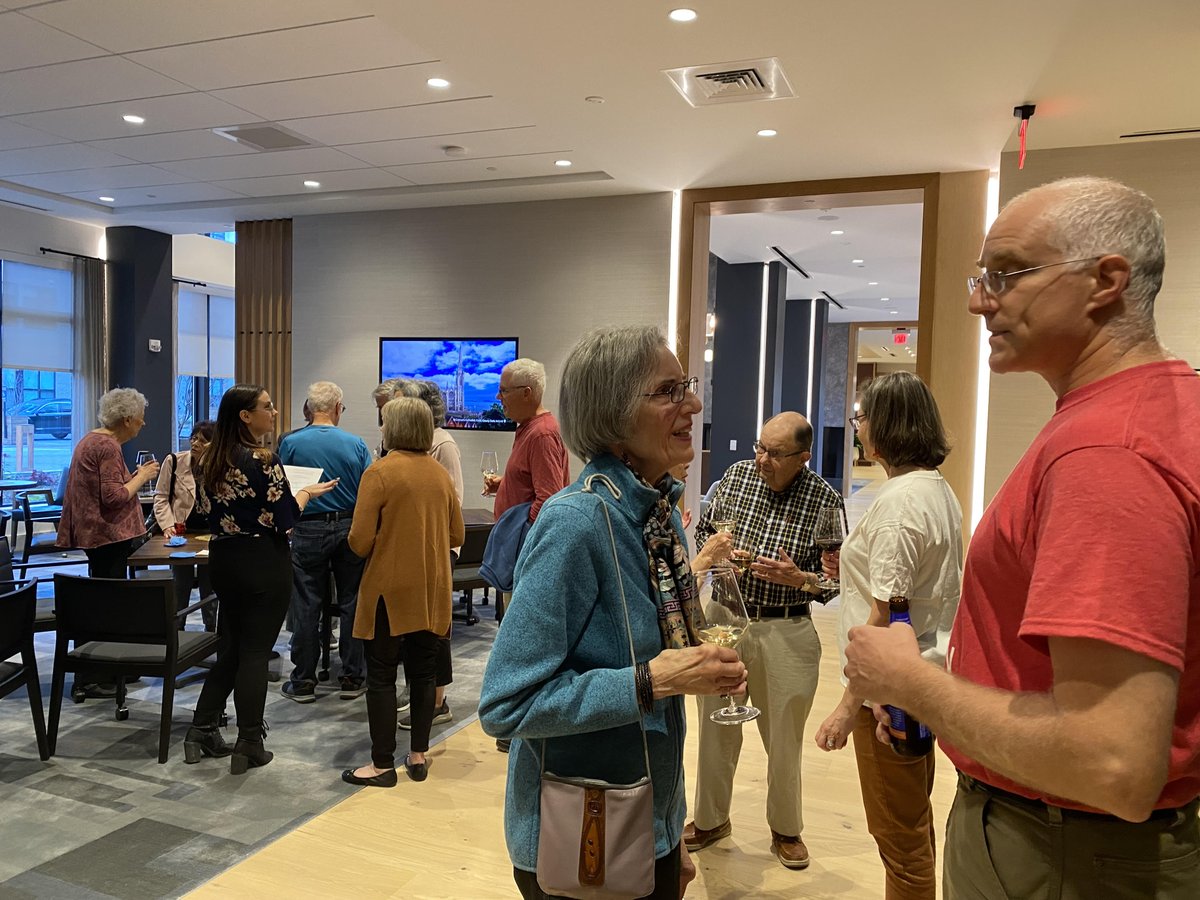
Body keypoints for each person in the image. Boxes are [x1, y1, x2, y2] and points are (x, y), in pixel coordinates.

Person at [844, 176, 1200, 899]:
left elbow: (1109, 761)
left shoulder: (1106, 452)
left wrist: (912, 683)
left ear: (1106, 281)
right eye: (982, 277)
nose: (980, 301)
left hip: (1063, 849)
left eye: (1007, 274)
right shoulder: (1160, 407)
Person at [479, 324, 747, 900]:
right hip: (580, 835)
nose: (693, 405)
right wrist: (651, 680)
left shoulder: (659, 516)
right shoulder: (575, 524)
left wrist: (669, 832)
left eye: (686, 386)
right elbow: (506, 704)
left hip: (647, 822)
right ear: (614, 413)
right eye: (669, 391)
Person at [813, 372, 962, 900]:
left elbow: (888, 611)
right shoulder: (932, 488)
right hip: (917, 679)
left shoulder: (900, 505)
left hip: (887, 694)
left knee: (900, 841)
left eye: (862, 418)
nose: (857, 428)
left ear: (887, 426)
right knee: (911, 822)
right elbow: (907, 589)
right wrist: (850, 570)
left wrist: (845, 706)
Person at [684, 411, 843, 870]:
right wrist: (720, 552)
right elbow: (706, 531)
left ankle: (786, 830)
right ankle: (711, 820)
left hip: (786, 628)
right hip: (724, 620)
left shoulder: (824, 500)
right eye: (759, 447)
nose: (761, 459)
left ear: (803, 457)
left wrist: (800, 578)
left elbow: (835, 582)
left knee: (784, 738)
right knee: (715, 727)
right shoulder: (736, 476)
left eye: (774, 453)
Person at [183, 384, 336, 773]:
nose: (274, 412)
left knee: (233, 647)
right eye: (267, 406)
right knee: (254, 652)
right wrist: (306, 495)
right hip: (263, 561)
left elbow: (203, 513)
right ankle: (249, 741)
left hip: (223, 559)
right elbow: (285, 519)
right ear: (245, 416)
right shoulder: (264, 459)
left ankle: (200, 728)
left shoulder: (207, 459)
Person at [341, 397, 464, 787]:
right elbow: (457, 534)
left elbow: (359, 541)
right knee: (423, 674)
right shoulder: (440, 475)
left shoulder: (379, 473)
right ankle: (418, 756)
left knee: (381, 675)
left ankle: (381, 764)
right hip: (431, 590)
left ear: (392, 428)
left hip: (387, 592)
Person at [481, 357, 571, 751]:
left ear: (527, 393)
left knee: (520, 640)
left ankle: (517, 725)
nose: (499, 398)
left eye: (504, 391)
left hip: (526, 554)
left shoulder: (542, 433)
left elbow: (549, 498)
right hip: (522, 551)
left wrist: (524, 548)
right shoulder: (528, 429)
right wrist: (505, 485)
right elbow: (534, 483)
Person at [57, 387, 160, 700]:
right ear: (127, 419)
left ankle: (108, 668)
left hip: (97, 535)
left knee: (101, 600)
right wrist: (143, 476)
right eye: (140, 418)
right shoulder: (106, 446)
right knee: (105, 604)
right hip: (106, 536)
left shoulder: (92, 440)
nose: (143, 423)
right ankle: (94, 675)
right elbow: (114, 497)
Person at [278, 381, 372, 703]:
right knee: (351, 601)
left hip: (307, 528)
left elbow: (281, 490)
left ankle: (303, 681)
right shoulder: (356, 444)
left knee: (307, 603)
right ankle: (353, 677)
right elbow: (368, 491)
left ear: (308, 409)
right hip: (348, 527)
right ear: (337, 409)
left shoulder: (291, 443)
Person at [394, 379, 463, 731]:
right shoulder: (409, 446)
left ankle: (437, 701)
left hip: (437, 548)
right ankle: (419, 690)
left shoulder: (443, 444)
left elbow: (453, 503)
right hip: (414, 547)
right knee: (415, 626)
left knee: (435, 626)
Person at [153, 419, 217, 630]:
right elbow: (161, 496)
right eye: (194, 438)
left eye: (203, 440)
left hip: (211, 533)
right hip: (182, 533)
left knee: (210, 586)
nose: (196, 443)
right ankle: (177, 630)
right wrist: (167, 525)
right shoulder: (174, 461)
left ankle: (211, 632)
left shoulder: (219, 465)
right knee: (180, 584)